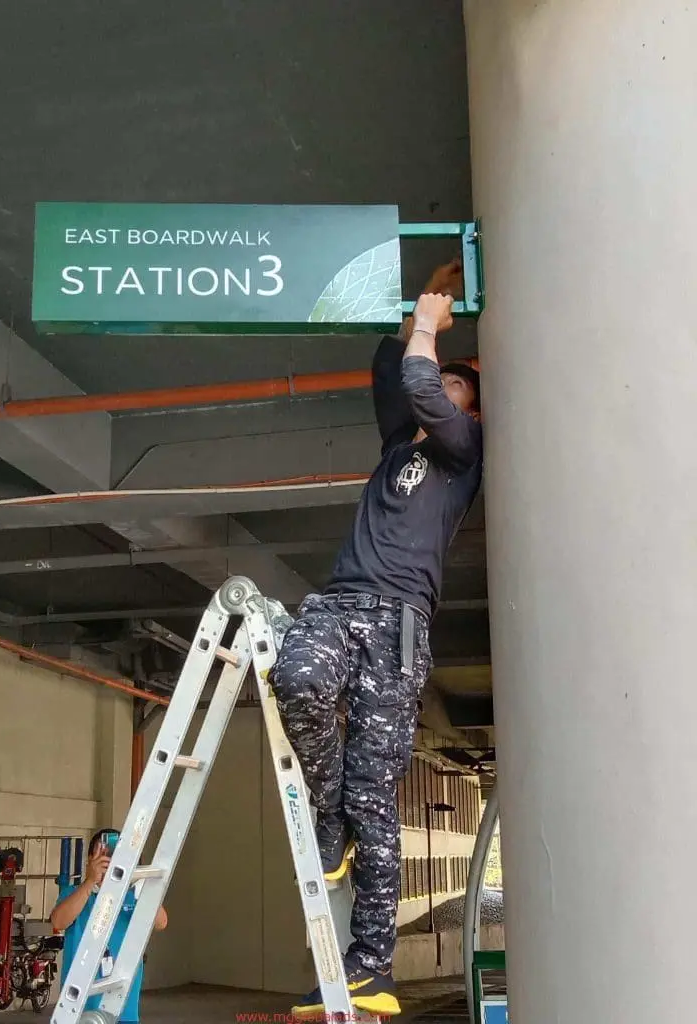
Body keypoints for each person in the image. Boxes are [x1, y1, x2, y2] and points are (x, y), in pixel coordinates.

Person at [270, 259, 483, 1018]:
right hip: (341, 601)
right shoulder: (402, 443)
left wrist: (432, 328)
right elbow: (395, 375)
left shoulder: (460, 451)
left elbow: (425, 385)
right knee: (295, 678)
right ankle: (327, 817)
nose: (442, 392)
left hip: (400, 624)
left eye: (459, 389)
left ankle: (369, 970)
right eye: (445, 383)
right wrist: (412, 317)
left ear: (470, 411)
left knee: (377, 792)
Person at [51, 828, 168, 1023]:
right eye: (103, 854)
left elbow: (161, 922)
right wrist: (90, 882)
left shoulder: (135, 895)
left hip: (123, 1006)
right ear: (90, 859)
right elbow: (59, 921)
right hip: (77, 1009)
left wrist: (137, 881)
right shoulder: (75, 893)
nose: (110, 860)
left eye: (116, 854)